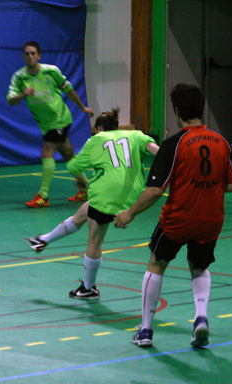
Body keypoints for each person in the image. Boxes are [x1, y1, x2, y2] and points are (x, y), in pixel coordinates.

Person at [114, 83, 232, 348]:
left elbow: (154, 190)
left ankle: (146, 331)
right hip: (211, 220)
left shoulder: (173, 144)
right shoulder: (221, 141)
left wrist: (130, 212)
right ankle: (201, 318)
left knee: (157, 263)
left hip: (178, 219)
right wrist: (205, 185)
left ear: (176, 111)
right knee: (199, 266)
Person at [25, 108, 158, 299]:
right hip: (131, 195)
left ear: (100, 128)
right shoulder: (135, 135)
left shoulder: (96, 140)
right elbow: (157, 151)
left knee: (94, 240)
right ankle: (43, 240)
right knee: (81, 214)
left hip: (106, 195)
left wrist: (82, 177)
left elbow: (75, 166)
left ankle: (89, 288)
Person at [7, 41, 94, 208]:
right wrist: (22, 94)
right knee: (68, 154)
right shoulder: (19, 77)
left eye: (33, 53)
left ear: (39, 56)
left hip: (60, 119)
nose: (30, 56)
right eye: (27, 54)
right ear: (23, 56)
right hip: (46, 124)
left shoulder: (51, 71)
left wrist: (82, 107)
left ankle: (43, 195)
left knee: (47, 150)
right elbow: (10, 101)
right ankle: (87, 188)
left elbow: (68, 89)